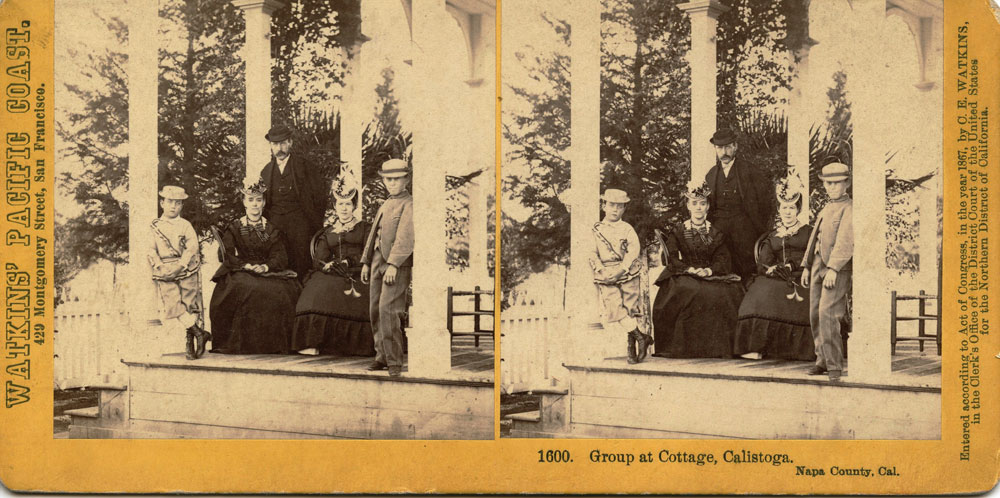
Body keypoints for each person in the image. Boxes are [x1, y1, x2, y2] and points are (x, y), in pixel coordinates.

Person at [652, 180, 744, 359]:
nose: (698, 208)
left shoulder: (715, 233)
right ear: (688, 205)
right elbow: (671, 257)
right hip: (685, 273)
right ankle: (684, 348)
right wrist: (689, 269)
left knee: (728, 292)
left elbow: (723, 259)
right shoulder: (679, 231)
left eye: (702, 204)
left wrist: (709, 271)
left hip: (709, 274)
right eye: (694, 203)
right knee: (690, 289)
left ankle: (718, 348)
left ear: (708, 206)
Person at [209, 178, 301, 354]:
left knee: (282, 290)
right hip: (241, 269)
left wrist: (266, 267)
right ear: (244, 202)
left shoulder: (271, 229)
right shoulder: (235, 227)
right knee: (246, 286)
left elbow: (280, 255)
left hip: (266, 270)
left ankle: (273, 344)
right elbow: (226, 254)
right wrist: (245, 265)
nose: (255, 204)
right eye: (250, 200)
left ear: (264, 202)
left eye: (258, 200)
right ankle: (242, 343)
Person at [291, 171, 375, 357]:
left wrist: (350, 261)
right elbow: (319, 257)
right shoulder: (328, 231)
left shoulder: (364, 228)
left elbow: (367, 252)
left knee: (356, 292)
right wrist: (326, 265)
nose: (344, 208)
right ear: (335, 206)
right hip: (332, 271)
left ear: (354, 206)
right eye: (340, 204)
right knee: (317, 289)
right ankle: (313, 342)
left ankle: (353, 346)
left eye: (347, 204)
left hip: (358, 270)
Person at [732, 173, 815, 361]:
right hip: (776, 275)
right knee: (760, 291)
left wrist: (792, 265)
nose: (787, 212)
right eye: (784, 208)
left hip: (801, 274)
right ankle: (756, 346)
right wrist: (771, 268)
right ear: (779, 209)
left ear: (798, 209)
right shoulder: (773, 236)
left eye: (792, 208)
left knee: (801, 293)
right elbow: (763, 261)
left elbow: (811, 255)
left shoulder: (808, 232)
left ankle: (797, 350)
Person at [361, 159, 414, 377]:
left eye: (396, 179)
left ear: (406, 179)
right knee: (375, 309)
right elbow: (374, 234)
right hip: (376, 261)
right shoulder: (386, 203)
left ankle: (394, 362)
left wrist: (393, 264)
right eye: (387, 179)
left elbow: (405, 238)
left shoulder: (409, 204)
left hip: (395, 264)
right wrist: (366, 262)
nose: (391, 183)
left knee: (389, 309)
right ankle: (381, 356)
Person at [801, 162, 853, 382]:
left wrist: (833, 268)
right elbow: (815, 238)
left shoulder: (849, 209)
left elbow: (846, 241)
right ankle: (821, 359)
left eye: (836, 183)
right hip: (817, 265)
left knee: (828, 313)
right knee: (814, 312)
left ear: (847, 183)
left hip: (835, 268)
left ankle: (834, 366)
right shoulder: (827, 206)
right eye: (828, 183)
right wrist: (806, 265)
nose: (831, 187)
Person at [259, 124, 330, 280]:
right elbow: (264, 203)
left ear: (290, 143)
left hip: (300, 225)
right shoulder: (265, 171)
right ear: (270, 146)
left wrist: (312, 223)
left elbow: (320, 198)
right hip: (276, 226)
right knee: (278, 264)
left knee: (301, 265)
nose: (280, 148)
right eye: (275, 144)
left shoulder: (306, 167)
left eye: (283, 143)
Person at [590, 189, 651, 364]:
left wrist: (622, 269)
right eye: (611, 205)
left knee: (630, 308)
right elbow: (592, 253)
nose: (615, 210)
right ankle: (642, 337)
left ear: (624, 209)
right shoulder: (597, 230)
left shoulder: (627, 228)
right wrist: (601, 270)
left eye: (619, 206)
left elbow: (633, 251)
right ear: (604, 206)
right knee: (614, 309)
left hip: (627, 272)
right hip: (607, 273)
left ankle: (631, 350)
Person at [704, 128, 773, 281]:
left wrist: (756, 226)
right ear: (715, 149)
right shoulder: (711, 175)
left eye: (728, 146)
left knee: (747, 270)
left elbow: (765, 203)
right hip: (719, 228)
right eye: (720, 147)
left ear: (736, 146)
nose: (724, 151)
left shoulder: (751, 171)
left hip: (744, 227)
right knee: (720, 268)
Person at [148, 185, 209, 360]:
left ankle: (190, 343)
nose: (173, 206)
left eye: (178, 203)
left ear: (182, 206)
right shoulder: (155, 226)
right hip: (166, 270)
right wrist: (159, 266)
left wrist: (181, 265)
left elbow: (192, 247)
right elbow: (151, 249)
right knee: (173, 305)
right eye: (169, 202)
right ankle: (200, 333)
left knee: (189, 304)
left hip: (186, 268)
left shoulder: (185, 225)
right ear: (162, 203)